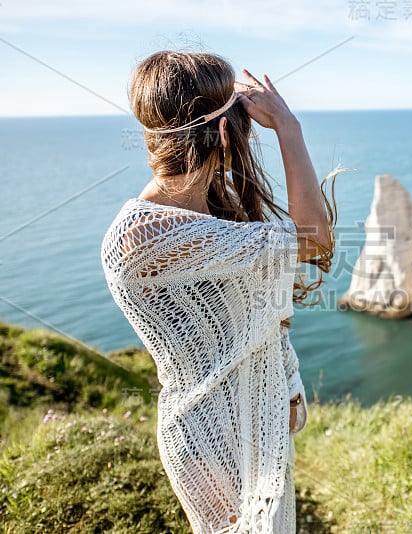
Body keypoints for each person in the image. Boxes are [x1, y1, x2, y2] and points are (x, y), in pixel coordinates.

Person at [100, 51, 342, 533]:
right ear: (227, 133)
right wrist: (289, 130)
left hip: (257, 421)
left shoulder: (213, 210)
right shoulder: (144, 236)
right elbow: (315, 239)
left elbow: (260, 316)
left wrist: (289, 381)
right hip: (211, 440)